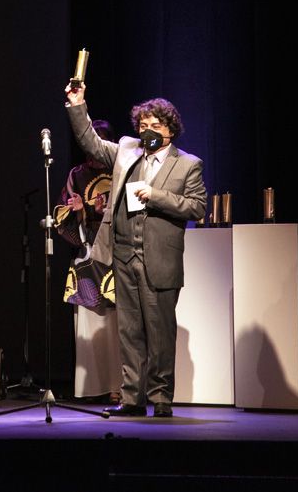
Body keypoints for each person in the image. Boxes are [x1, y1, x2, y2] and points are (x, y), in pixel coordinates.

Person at [65, 83, 206, 418]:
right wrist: (78, 105)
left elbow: (197, 207)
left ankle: (161, 399)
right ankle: (132, 399)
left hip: (159, 258)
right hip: (125, 255)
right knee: (129, 331)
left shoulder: (188, 165)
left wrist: (154, 195)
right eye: (142, 126)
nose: (147, 131)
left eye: (155, 126)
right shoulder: (127, 151)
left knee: (160, 333)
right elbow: (91, 142)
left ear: (170, 129)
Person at [54, 119, 121, 403]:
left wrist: (106, 211)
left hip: (115, 257)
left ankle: (119, 387)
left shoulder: (120, 170)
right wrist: (79, 211)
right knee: (90, 325)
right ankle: (91, 386)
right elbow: (60, 215)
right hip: (87, 259)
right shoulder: (76, 175)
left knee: (116, 328)